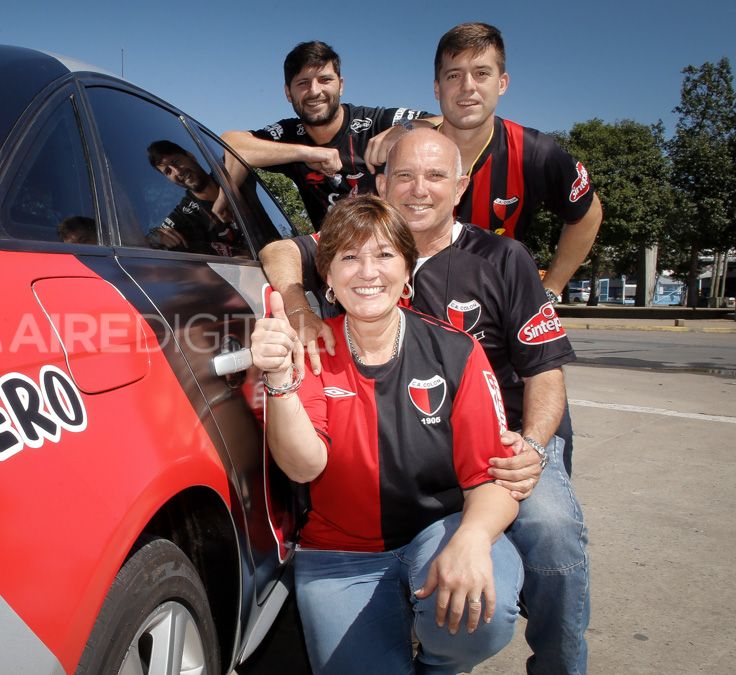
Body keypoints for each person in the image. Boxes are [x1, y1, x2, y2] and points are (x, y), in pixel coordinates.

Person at [261, 128, 590, 674]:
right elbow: (278, 248)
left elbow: (545, 370)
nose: (419, 189)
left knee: (551, 532)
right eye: (405, 175)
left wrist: (529, 448)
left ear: (460, 186)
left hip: (506, 437)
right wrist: (295, 307)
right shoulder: (355, 244)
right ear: (382, 183)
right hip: (356, 524)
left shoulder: (501, 259)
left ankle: (558, 665)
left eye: (435, 176)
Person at [251, 196, 522, 673]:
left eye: (384, 255)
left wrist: (472, 538)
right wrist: (279, 380)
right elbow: (302, 465)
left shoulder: (456, 351)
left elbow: (493, 477)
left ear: (408, 272)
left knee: (483, 616)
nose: (367, 271)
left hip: (436, 532)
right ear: (328, 279)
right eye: (349, 257)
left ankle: (438, 666)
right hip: (338, 551)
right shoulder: (311, 348)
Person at [433, 22, 602, 304]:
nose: (467, 87)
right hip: (415, 314)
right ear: (437, 88)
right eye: (453, 75)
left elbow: (588, 213)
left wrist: (550, 289)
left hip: (498, 315)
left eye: (482, 73)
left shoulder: (534, 151)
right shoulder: (408, 149)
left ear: (502, 83)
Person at [221, 41, 431, 228]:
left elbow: (441, 120)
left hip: (392, 243)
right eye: (303, 83)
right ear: (288, 92)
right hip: (333, 255)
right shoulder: (290, 133)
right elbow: (232, 142)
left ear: (341, 85)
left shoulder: (374, 121)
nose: (314, 91)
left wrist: (406, 128)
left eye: (324, 80)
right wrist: (308, 153)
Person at [145, 140, 247, 256]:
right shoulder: (184, 214)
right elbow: (147, 242)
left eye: (176, 161)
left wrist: (223, 198)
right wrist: (154, 236)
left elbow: (239, 147)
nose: (177, 171)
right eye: (168, 171)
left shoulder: (230, 174)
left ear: (191, 156)